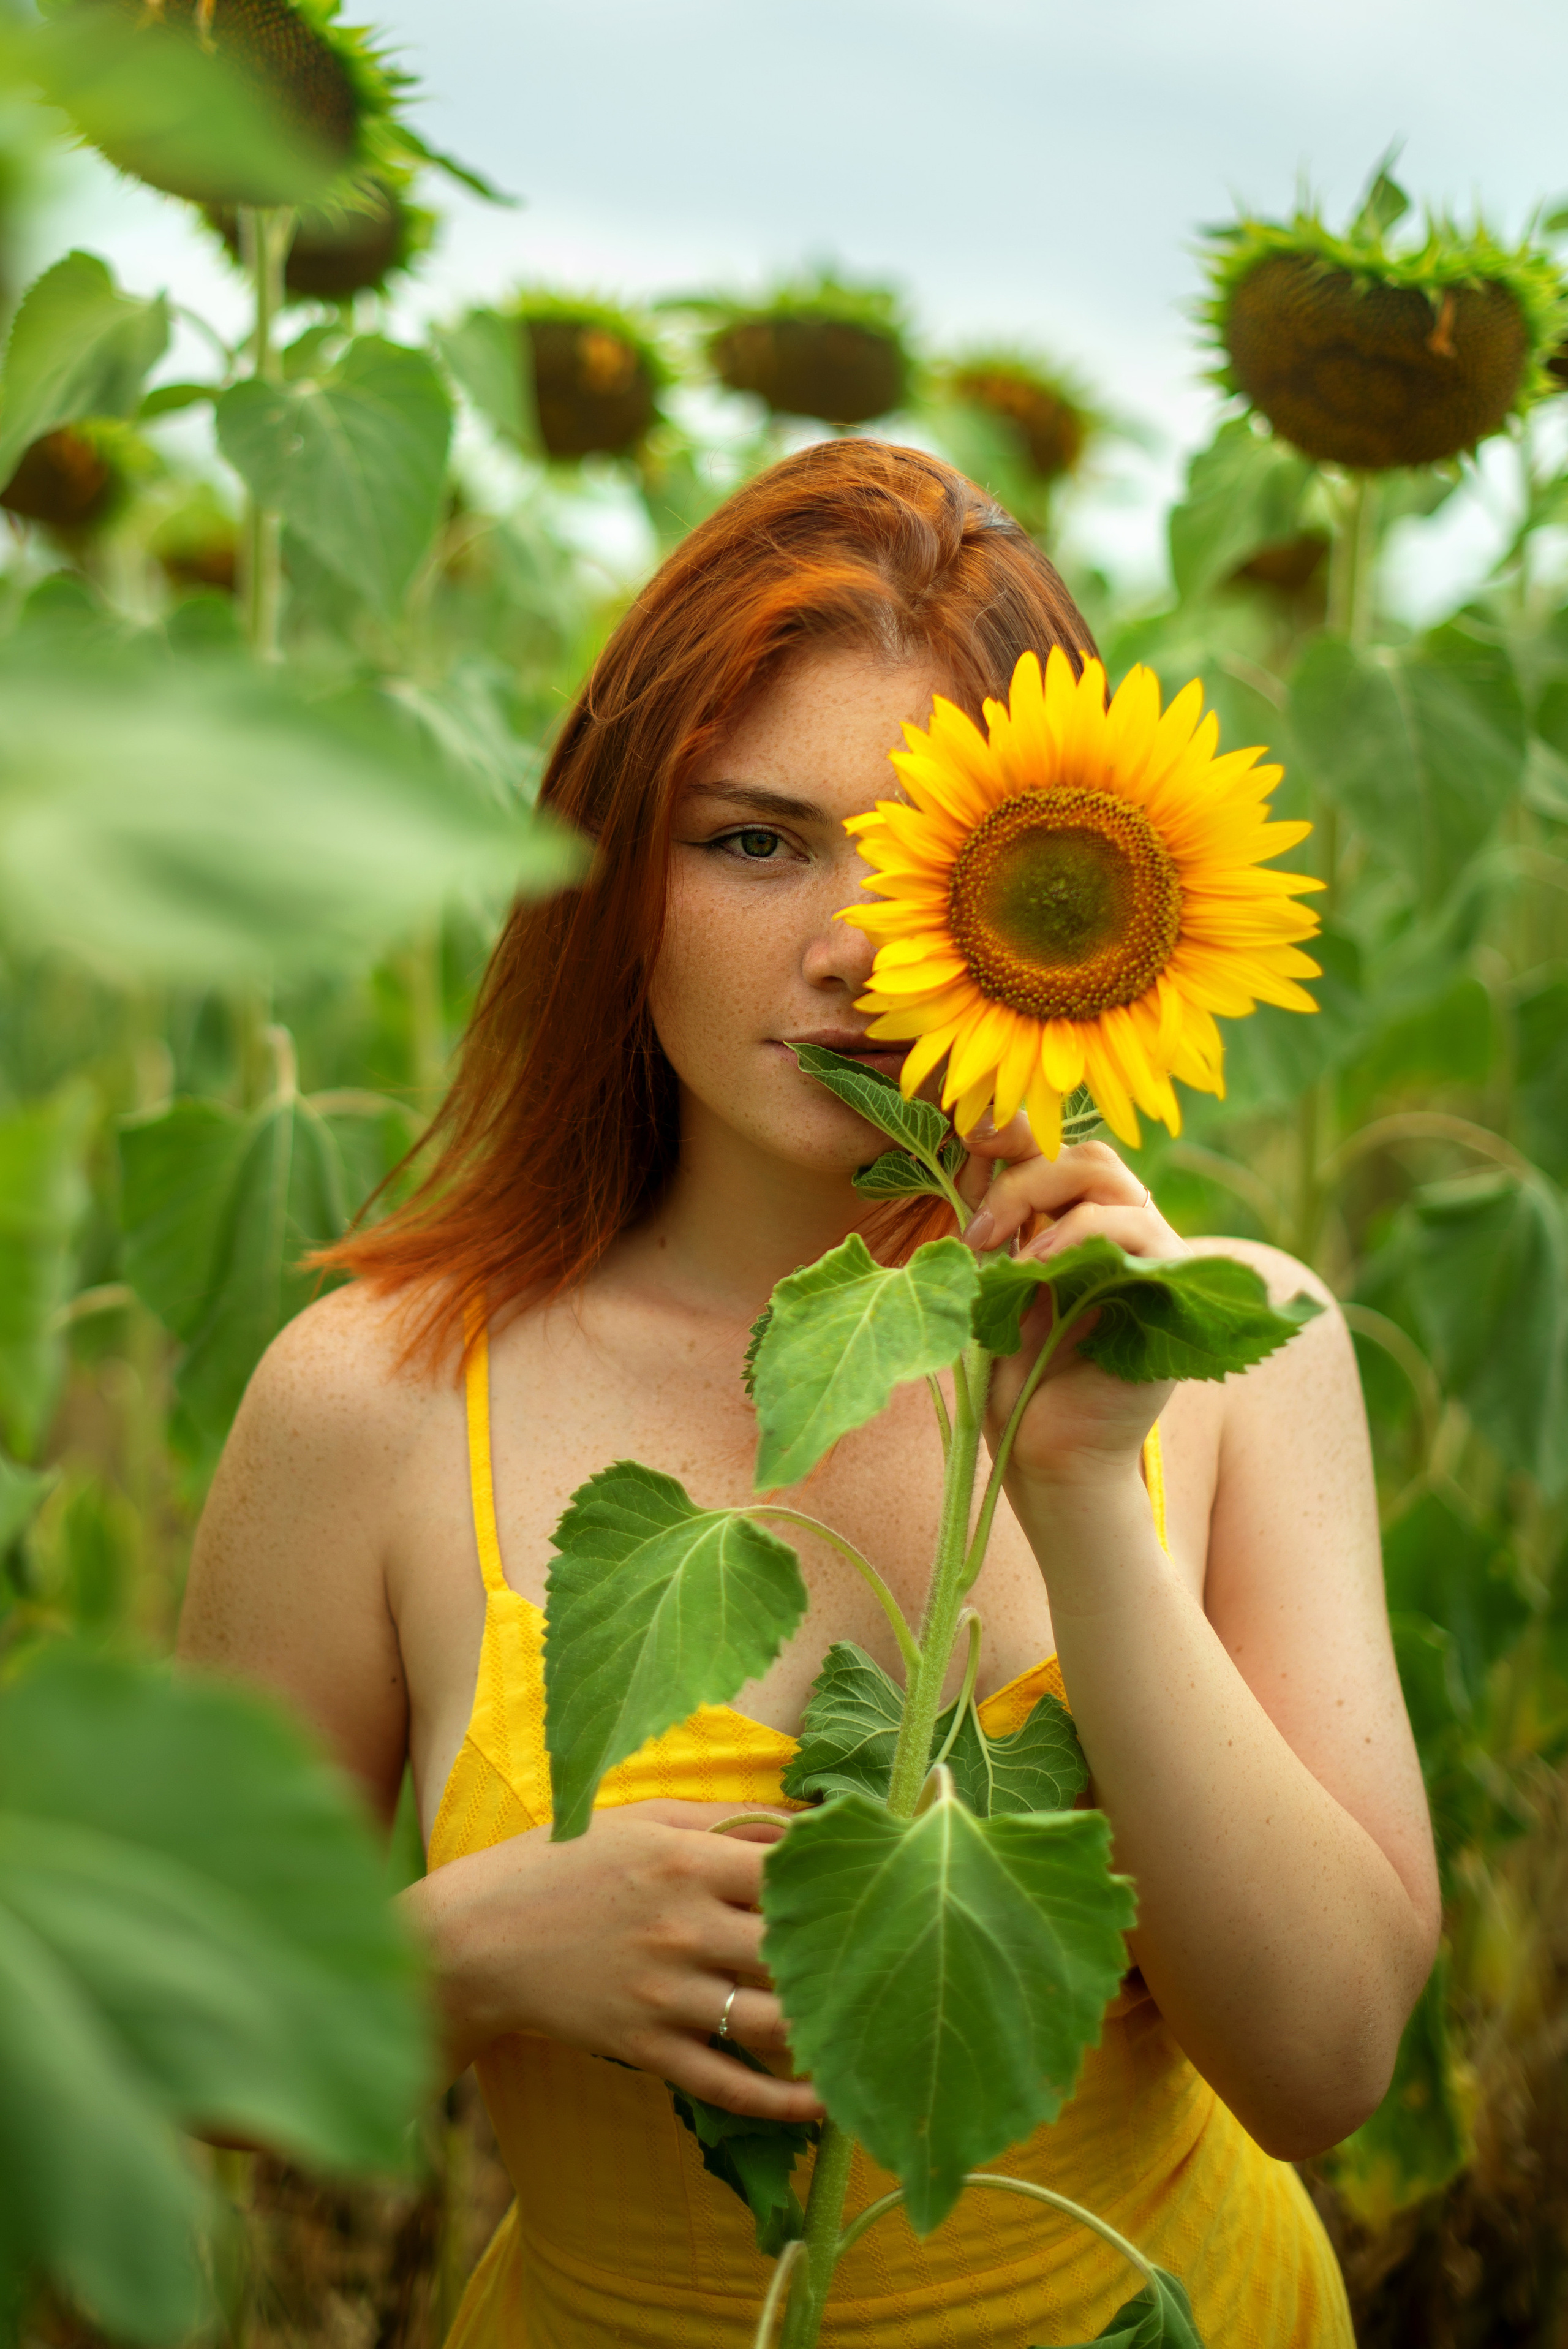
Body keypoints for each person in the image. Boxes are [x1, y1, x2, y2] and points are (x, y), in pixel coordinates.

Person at [180, 439, 1439, 2347]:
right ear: (618, 874)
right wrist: (465, 1951)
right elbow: (150, 2062)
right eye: (753, 840)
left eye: (933, 857)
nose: (856, 946)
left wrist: (1087, 1486)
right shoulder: (377, 1400)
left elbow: (1327, 2059)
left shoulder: (1237, 1346)